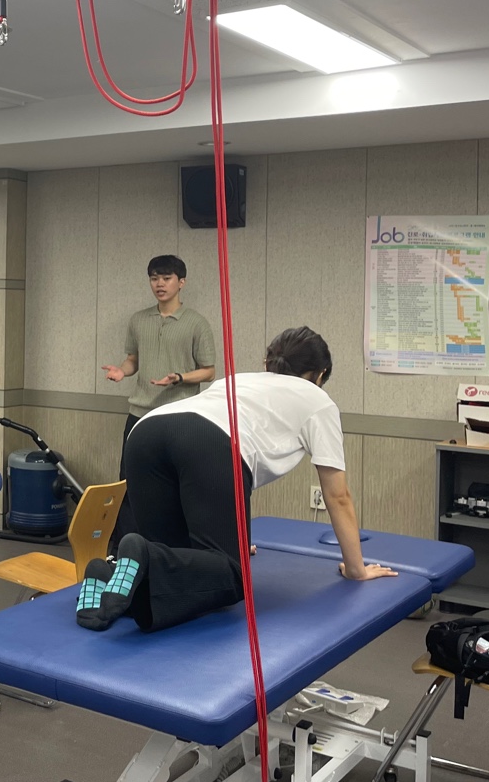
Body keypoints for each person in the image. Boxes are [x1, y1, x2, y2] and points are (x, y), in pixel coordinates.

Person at [77, 327, 398, 634]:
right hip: (208, 441)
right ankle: (141, 556)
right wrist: (356, 570)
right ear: (321, 374)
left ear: (267, 363)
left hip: (144, 433)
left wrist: (228, 536)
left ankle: (108, 573)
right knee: (232, 577)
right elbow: (338, 495)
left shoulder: (238, 380)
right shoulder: (318, 400)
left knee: (173, 568)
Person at [102, 254, 216, 541]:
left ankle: (174, 547)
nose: (160, 284)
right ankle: (125, 548)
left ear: (181, 282)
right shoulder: (139, 320)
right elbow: (133, 360)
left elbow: (209, 371)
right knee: (129, 482)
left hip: (178, 416)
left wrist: (179, 377)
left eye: (166, 278)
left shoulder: (197, 323)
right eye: (154, 278)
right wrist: (122, 371)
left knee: (177, 483)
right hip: (139, 414)